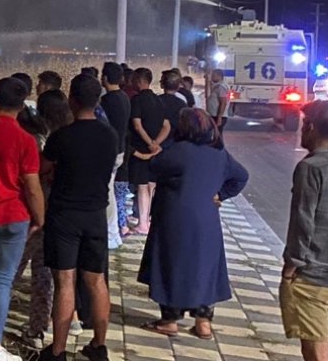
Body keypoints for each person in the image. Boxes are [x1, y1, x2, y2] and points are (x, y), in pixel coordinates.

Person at [137, 108, 249, 339]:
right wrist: (220, 195)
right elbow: (241, 176)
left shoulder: (177, 152)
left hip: (173, 217)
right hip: (206, 219)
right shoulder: (219, 154)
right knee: (206, 267)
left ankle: (170, 319)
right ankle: (203, 323)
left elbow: (154, 167)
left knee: (171, 264)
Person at [40, 74, 116, 361]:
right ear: (97, 101)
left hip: (65, 215)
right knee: (96, 281)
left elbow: (44, 167)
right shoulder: (109, 136)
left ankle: (57, 350)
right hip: (96, 214)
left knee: (65, 282)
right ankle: (99, 345)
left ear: (72, 99)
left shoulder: (62, 137)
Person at [0, 78, 46, 361]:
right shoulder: (25, 140)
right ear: (24, 101)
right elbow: (32, 185)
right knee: (2, 281)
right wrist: (39, 218)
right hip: (15, 217)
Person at [280, 100, 328, 361]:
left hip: (311, 274)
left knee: (314, 347)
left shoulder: (309, 168)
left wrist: (292, 265)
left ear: (311, 127)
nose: (302, 130)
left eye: (304, 124)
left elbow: (303, 221)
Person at [18, 89, 72, 348]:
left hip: (33, 213)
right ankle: (37, 329)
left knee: (12, 271)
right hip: (58, 216)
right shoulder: (69, 138)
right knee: (44, 277)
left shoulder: (39, 139)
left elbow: (33, 178)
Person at [128, 68, 170, 235]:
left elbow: (137, 125)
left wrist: (149, 143)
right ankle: (148, 220)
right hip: (157, 151)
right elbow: (166, 126)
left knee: (142, 186)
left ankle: (143, 223)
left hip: (142, 149)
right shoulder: (159, 101)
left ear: (139, 81)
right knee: (152, 185)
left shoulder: (137, 100)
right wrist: (157, 143)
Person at [100, 63, 131, 248]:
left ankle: (111, 234)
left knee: (108, 191)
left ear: (104, 78)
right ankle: (113, 233)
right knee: (109, 189)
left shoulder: (108, 101)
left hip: (110, 151)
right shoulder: (124, 98)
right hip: (120, 149)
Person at [204, 69, 230, 142]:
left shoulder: (221, 87)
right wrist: (207, 80)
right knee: (216, 135)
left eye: (213, 76)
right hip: (214, 114)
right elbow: (207, 94)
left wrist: (219, 117)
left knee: (217, 136)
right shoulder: (218, 86)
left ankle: (219, 151)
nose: (212, 77)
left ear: (219, 76)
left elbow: (223, 102)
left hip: (217, 115)